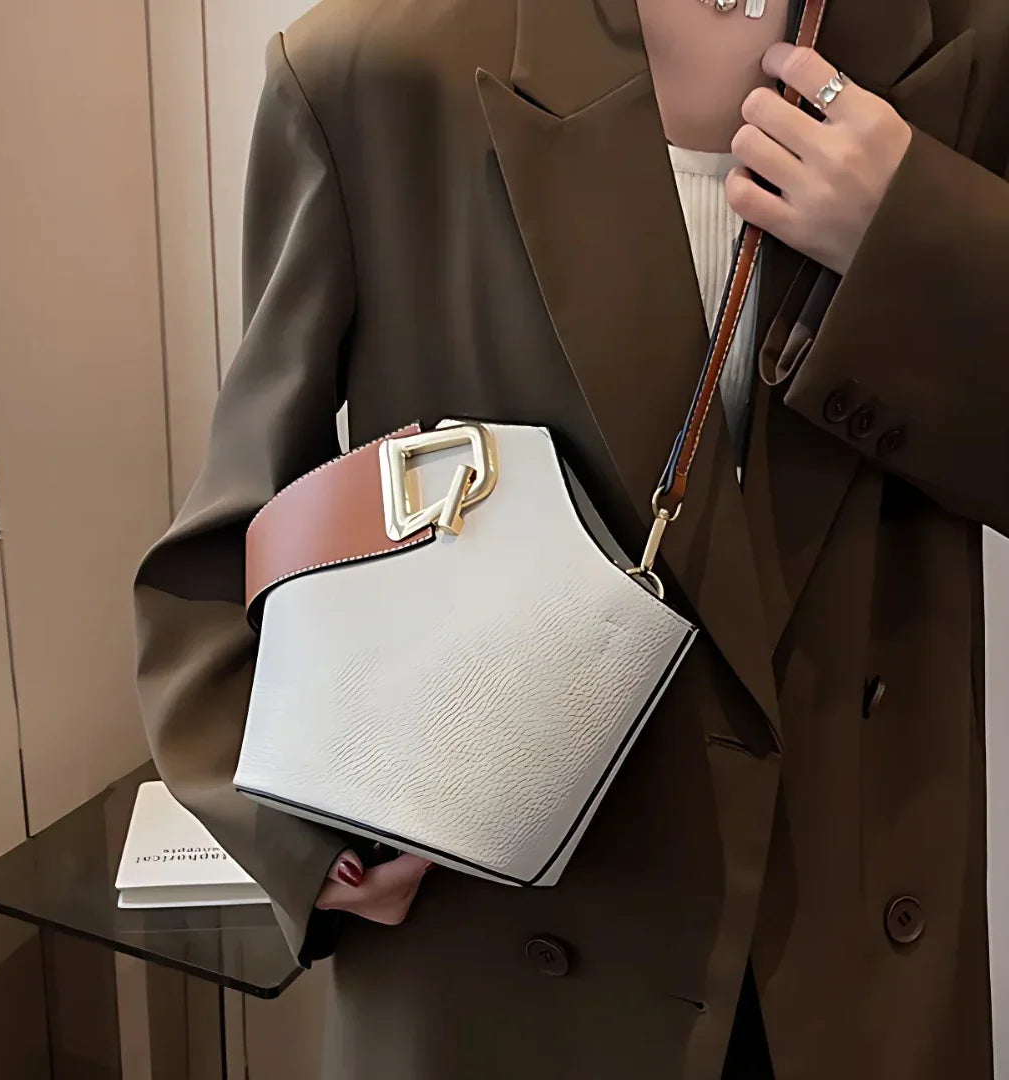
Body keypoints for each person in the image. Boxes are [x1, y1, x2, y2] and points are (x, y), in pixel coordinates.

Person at [133, 0, 1009, 1076]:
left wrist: (916, 240)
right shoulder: (375, 70)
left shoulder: (969, 44)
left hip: (856, 963)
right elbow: (229, 544)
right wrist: (311, 839)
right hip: (505, 950)